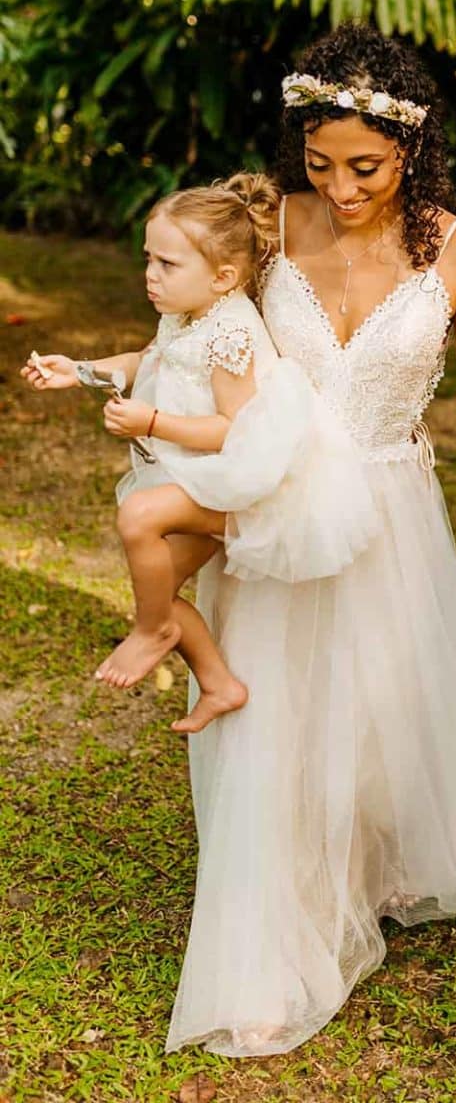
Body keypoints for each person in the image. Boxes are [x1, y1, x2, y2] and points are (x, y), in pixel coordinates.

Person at [166, 22, 456, 1057]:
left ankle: (366, 856)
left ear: (413, 143)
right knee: (272, 717)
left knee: (374, 706)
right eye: (320, 163)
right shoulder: (268, 229)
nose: (342, 187)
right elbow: (194, 338)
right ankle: (282, 933)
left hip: (392, 514)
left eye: (366, 165)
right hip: (275, 509)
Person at [21, 173, 372, 733]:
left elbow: (234, 430)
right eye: (148, 259)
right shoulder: (187, 312)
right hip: (202, 475)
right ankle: (218, 682)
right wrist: (80, 371)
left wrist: (152, 421)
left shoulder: (231, 334)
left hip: (246, 485)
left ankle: (151, 631)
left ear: (223, 276)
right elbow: (148, 360)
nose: (150, 275)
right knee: (158, 590)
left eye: (167, 264)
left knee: (139, 516)